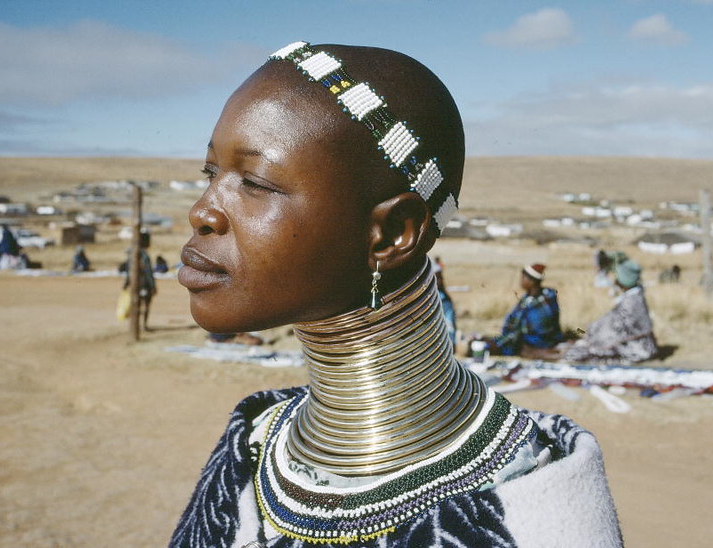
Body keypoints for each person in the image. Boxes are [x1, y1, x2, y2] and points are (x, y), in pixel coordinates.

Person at [170, 42, 620, 547]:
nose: (203, 211)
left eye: (254, 182)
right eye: (211, 173)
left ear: (392, 233)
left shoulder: (536, 506)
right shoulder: (252, 442)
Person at [564, 258, 658, 364]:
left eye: (618, 278)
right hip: (643, 346)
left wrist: (590, 339)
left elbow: (614, 330)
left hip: (637, 350)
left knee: (574, 354)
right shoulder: (635, 297)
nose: (615, 281)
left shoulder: (631, 302)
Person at [478, 264, 564, 358]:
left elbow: (536, 328)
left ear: (531, 281)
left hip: (538, 342)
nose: (521, 280)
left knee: (490, 346)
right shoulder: (528, 299)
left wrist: (511, 337)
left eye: (523, 277)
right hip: (527, 340)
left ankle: (539, 352)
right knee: (485, 341)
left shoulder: (544, 301)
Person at [123, 234, 157, 331]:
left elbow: (128, 271)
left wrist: (126, 283)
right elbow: (148, 272)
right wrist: (152, 286)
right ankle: (144, 326)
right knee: (146, 305)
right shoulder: (145, 256)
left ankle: (135, 326)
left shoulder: (131, 254)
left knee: (136, 304)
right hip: (145, 284)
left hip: (135, 284)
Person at [433, 256, 456, 346]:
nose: (441, 280)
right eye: (437, 277)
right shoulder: (428, 299)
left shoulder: (445, 299)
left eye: (440, 277)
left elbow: (450, 324)